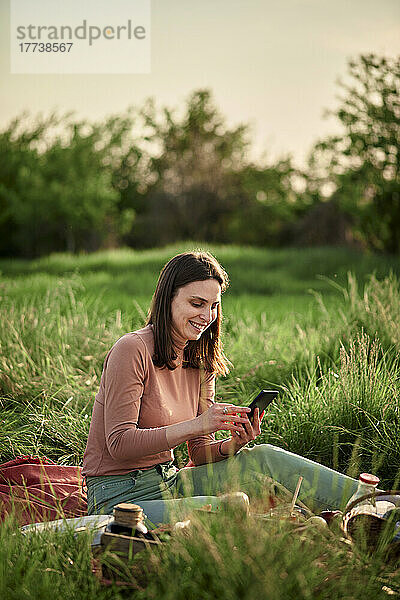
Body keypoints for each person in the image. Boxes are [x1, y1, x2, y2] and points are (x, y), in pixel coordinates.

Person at [82, 251, 358, 525]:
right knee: (229, 508)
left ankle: (373, 504)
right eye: (196, 303)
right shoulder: (132, 349)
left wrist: (232, 445)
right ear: (168, 300)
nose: (206, 315)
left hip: (169, 479)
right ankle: (296, 525)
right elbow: (118, 443)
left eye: (213, 306)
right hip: (119, 497)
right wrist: (197, 425)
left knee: (265, 457)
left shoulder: (199, 361)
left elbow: (199, 452)